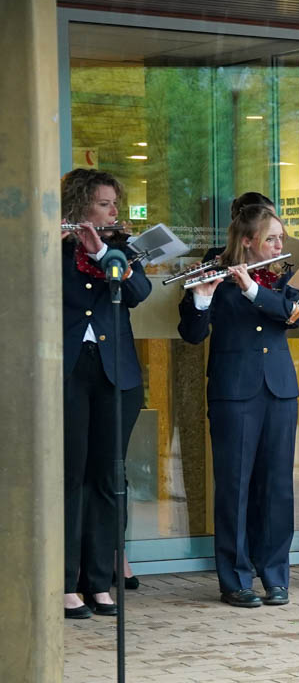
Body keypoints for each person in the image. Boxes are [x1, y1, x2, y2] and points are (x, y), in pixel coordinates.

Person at [177, 205, 299, 607]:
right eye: (271, 239)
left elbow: (294, 316)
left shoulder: (285, 278)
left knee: (278, 487)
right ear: (247, 241)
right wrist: (201, 298)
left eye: (280, 238)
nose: (279, 245)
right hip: (234, 393)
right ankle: (235, 579)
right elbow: (192, 334)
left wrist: (252, 288)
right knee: (234, 487)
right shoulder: (215, 274)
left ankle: (275, 576)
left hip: (279, 391)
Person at [60, 169, 151, 621]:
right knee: (70, 477)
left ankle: (99, 582)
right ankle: (64, 582)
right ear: (80, 206)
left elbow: (138, 292)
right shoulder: (53, 248)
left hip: (116, 374)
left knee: (107, 478)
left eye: (115, 203)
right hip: (68, 370)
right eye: (103, 204)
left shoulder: (121, 250)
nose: (114, 211)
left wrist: (101, 253)